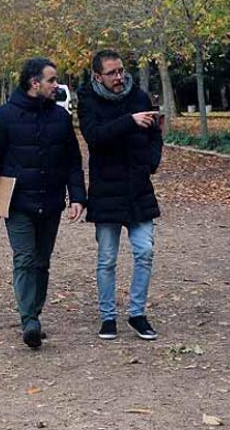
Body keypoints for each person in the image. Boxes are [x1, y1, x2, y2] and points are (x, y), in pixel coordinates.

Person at [0, 57, 86, 349]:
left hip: (51, 200)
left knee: (42, 261)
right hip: (17, 200)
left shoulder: (61, 119)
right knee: (24, 259)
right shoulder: (4, 116)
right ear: (34, 83)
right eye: (51, 80)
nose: (56, 85)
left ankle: (33, 314)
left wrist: (77, 196)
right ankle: (29, 321)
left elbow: (73, 162)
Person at [77, 49, 163, 341]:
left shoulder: (139, 97)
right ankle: (108, 316)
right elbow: (95, 137)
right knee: (107, 258)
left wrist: (151, 163)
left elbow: (155, 135)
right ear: (97, 76)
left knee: (145, 252)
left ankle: (137, 313)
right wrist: (129, 121)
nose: (119, 77)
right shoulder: (88, 100)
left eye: (121, 71)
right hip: (106, 190)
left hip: (138, 188)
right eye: (112, 72)